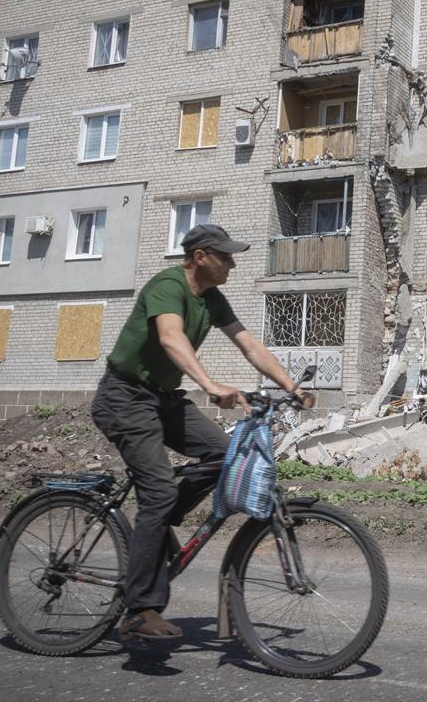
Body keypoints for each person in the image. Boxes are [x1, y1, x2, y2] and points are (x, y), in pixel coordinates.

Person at [91, 223, 312, 642]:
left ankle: (159, 522)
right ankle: (139, 610)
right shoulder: (168, 286)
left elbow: (249, 345)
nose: (232, 264)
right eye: (225, 257)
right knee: (158, 491)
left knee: (227, 456)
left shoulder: (211, 298)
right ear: (200, 257)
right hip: (124, 398)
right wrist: (210, 385)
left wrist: (292, 388)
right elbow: (170, 338)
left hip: (163, 398)